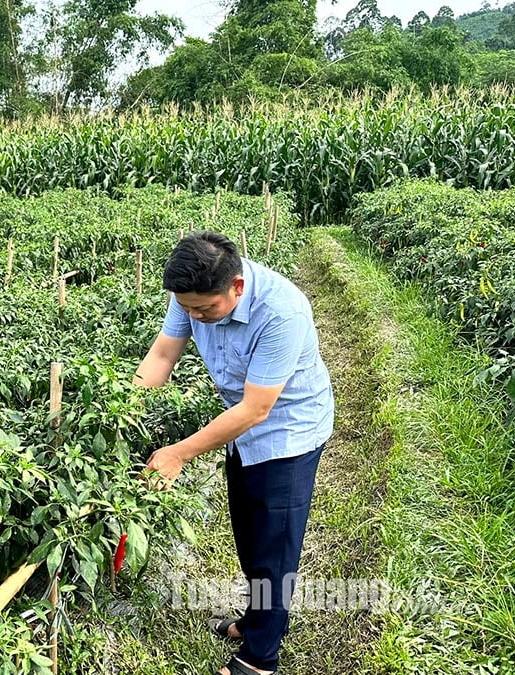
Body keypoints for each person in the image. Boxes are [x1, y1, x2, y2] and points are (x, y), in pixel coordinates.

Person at [134, 232, 334, 675]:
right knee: (248, 531)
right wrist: (122, 408)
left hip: (288, 431)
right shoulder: (192, 294)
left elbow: (256, 408)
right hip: (241, 429)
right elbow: (164, 353)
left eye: (204, 309)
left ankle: (261, 657)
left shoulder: (281, 311)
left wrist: (179, 453)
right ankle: (257, 619)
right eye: (187, 308)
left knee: (274, 547)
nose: (195, 317)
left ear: (236, 287)